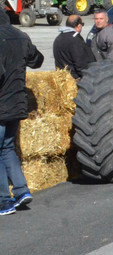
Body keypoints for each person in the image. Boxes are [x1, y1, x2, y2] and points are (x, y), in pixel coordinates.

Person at [1, 12, 44, 215]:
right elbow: (38, 60)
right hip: (17, 102)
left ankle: (3, 200)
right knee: (7, 148)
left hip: (1, 104)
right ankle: (21, 190)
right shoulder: (20, 36)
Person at [53, 14, 95, 80]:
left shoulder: (58, 38)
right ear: (78, 26)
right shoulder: (75, 40)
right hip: (74, 79)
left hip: (62, 78)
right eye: (82, 24)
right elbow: (80, 64)